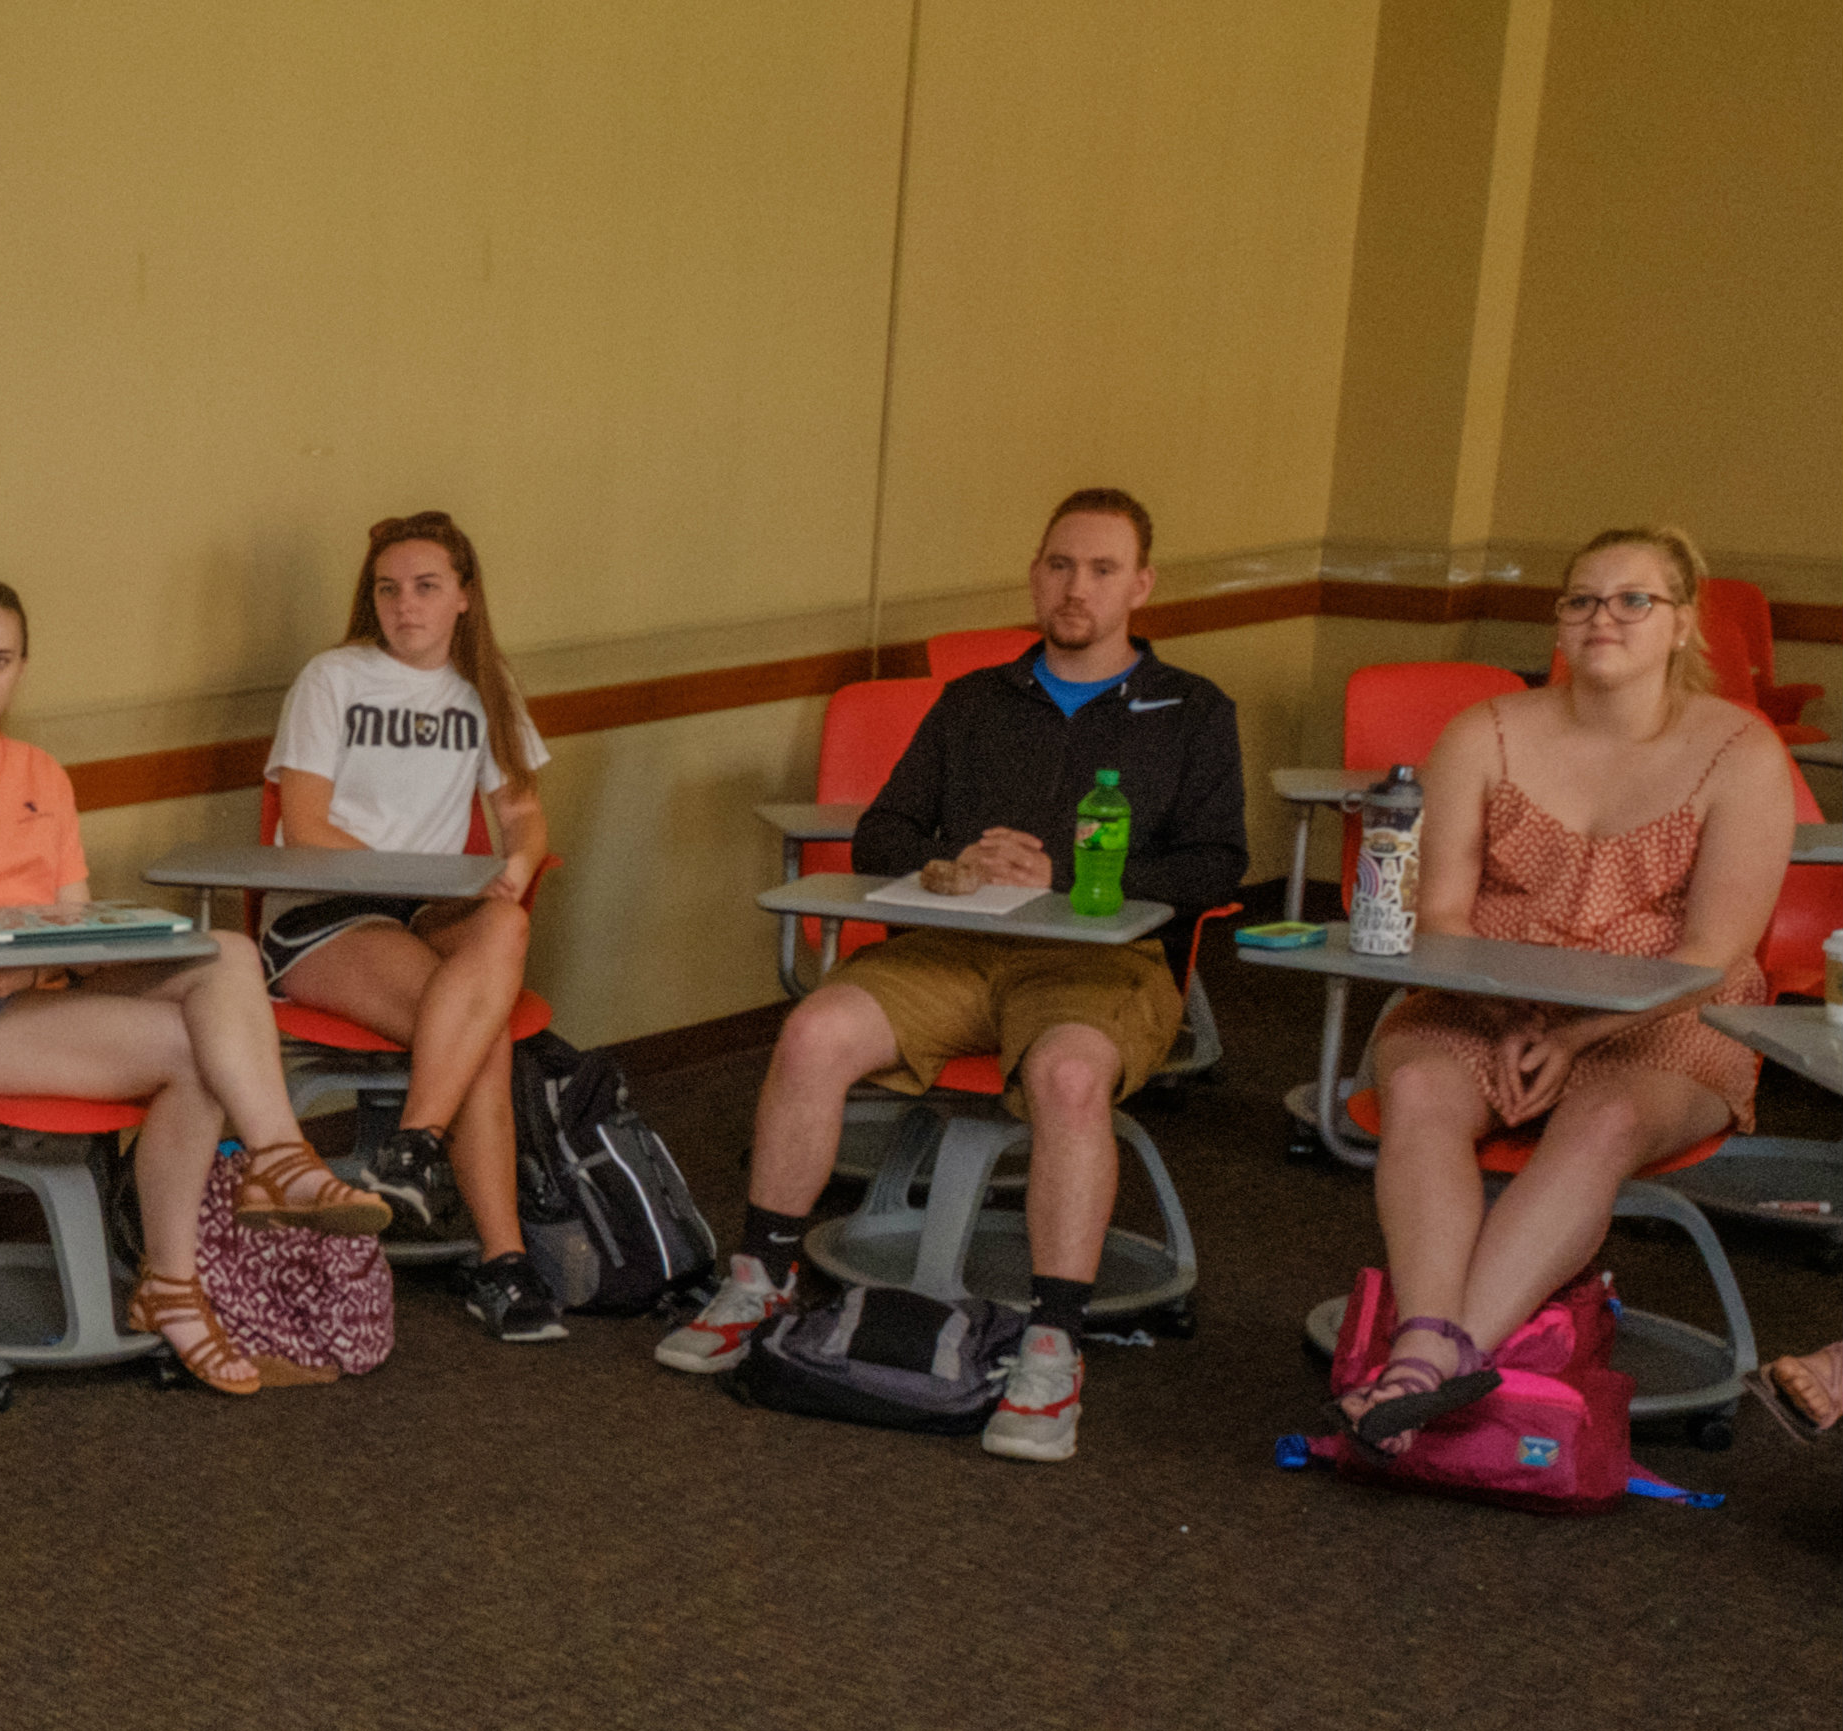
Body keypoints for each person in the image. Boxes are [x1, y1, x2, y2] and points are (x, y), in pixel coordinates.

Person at [653, 488, 1248, 1463]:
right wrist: (949, 862)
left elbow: (1216, 865)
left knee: (1064, 1075)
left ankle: (1052, 1342)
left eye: (1101, 569)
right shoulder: (974, 700)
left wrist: (1066, 870)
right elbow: (883, 830)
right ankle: (758, 1277)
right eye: (1058, 564)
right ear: (1033, 573)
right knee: (811, 1032)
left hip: (1098, 960)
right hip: (953, 943)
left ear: (1140, 585)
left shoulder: (1188, 711)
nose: (1075, 586)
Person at [0, 577, 390, 1395]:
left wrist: (97, 945)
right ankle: (181, 1280)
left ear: (22, 667)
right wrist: (12, 957)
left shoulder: (40, 770)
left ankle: (277, 1158)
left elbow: (73, 920)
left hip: (44, 988)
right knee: (196, 1048)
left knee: (230, 954)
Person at [1336, 527, 1796, 1450]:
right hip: (1480, 991)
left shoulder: (1741, 751)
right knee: (1420, 1087)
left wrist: (1577, 1039)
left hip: (1671, 1013)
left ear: (1681, 624)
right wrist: (1511, 1014)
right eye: (1581, 599)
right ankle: (1424, 1349)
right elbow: (1446, 917)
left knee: (1604, 1121)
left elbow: (1712, 952)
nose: (1603, 619)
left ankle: (1454, 1351)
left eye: (1634, 600)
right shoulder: (1483, 732)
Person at [263, 511, 564, 1343]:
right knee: (483, 1031)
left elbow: (523, 812)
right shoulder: (333, 678)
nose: (406, 605)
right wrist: (422, 876)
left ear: (464, 596)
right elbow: (305, 823)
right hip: (325, 914)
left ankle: (411, 1153)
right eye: (388, 589)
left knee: (504, 928)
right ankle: (500, 1261)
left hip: (428, 912)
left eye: (427, 587)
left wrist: (518, 863)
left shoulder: (485, 684)